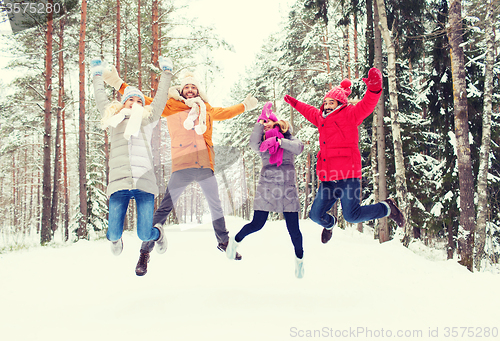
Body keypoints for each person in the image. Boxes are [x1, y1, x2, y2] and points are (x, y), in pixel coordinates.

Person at [103, 66, 258, 276]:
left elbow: (227, 112)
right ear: (182, 90)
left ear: (198, 90)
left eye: (194, 87)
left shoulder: (207, 108)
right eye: (187, 87)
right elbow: (145, 101)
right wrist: (117, 83)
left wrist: (244, 106)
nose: (191, 90)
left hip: (204, 164)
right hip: (182, 165)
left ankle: (224, 242)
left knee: (216, 206)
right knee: (164, 208)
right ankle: (145, 252)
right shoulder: (171, 106)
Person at [283, 67, 405, 244]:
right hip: (328, 178)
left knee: (352, 216)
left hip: (348, 177)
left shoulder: (350, 114)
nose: (327, 105)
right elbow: (308, 110)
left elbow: (367, 105)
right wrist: (294, 103)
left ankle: (388, 207)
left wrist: (374, 88)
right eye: (325, 102)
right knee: (315, 215)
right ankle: (330, 224)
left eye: (331, 102)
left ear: (340, 102)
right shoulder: (321, 118)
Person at [91, 55, 173, 256]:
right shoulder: (114, 119)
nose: (135, 103)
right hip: (119, 183)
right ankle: (115, 239)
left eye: (139, 100)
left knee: (145, 234)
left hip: (143, 182)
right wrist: (96, 74)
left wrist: (167, 72)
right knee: (112, 232)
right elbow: (100, 97)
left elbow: (161, 98)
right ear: (123, 103)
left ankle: (158, 235)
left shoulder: (148, 119)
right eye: (131, 100)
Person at [226, 102, 305, 278]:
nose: (266, 124)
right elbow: (253, 143)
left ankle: (299, 261)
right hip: (267, 186)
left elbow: (299, 148)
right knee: (257, 224)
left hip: (287, 188)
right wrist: (259, 124)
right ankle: (235, 242)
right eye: (263, 122)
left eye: (268, 121)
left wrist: (279, 140)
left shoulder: (289, 139)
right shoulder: (263, 145)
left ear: (277, 123)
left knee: (293, 229)